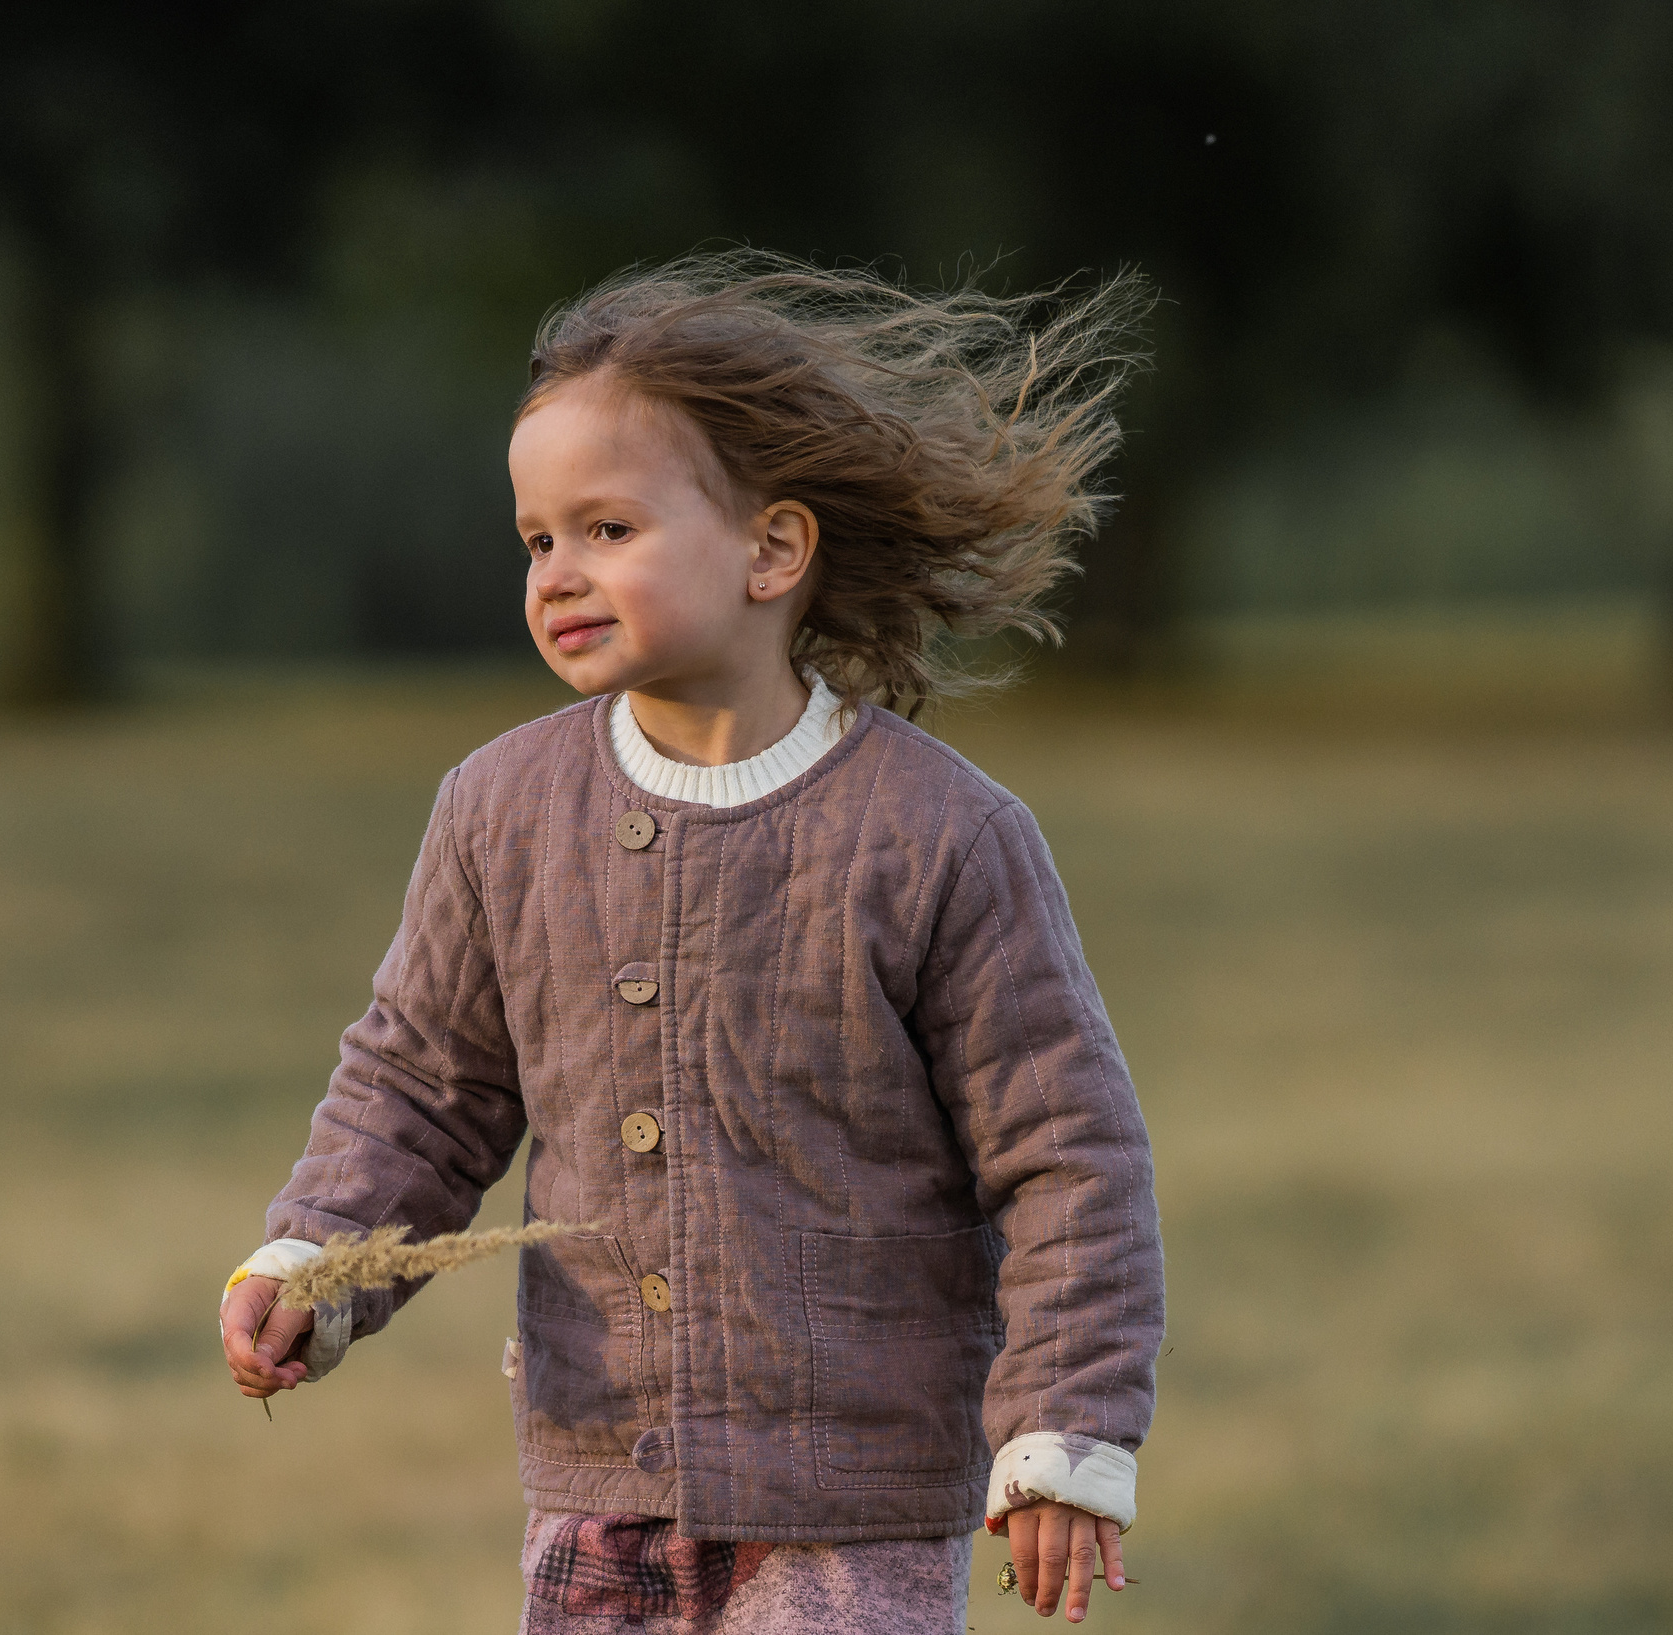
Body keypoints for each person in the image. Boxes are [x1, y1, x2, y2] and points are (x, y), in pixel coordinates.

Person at [217, 254, 1165, 1633]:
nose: (558, 574)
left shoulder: (939, 835)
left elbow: (1068, 1155)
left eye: (608, 528)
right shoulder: (500, 811)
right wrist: (318, 1260)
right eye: (537, 539)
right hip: (597, 1482)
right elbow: (424, 1087)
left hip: (856, 1505)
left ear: (774, 551)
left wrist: (1066, 1429)